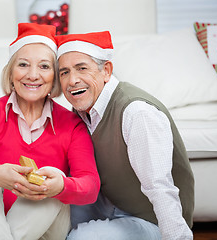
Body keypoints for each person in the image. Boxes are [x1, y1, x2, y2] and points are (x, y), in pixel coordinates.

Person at [0, 23, 100, 240]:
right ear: (11, 72)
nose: (32, 75)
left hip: (41, 232)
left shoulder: (72, 125)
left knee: (56, 178)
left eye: (44, 67)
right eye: (23, 65)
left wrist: (60, 186)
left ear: (55, 76)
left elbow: (90, 185)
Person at [55, 32, 194, 240]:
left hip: (151, 219)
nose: (72, 80)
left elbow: (160, 188)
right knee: (52, 211)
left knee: (81, 238)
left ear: (106, 71)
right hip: (112, 204)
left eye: (82, 68)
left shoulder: (136, 112)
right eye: (64, 72)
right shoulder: (83, 109)